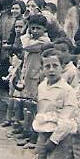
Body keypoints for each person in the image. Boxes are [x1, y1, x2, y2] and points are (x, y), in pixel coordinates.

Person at [31, 48, 77, 159]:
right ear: (42, 68)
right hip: (43, 133)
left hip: (59, 135)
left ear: (62, 67)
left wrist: (54, 140)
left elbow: (67, 120)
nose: (51, 70)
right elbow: (41, 111)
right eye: (47, 66)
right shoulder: (42, 87)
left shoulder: (67, 90)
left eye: (55, 66)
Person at [14, 14, 51, 148]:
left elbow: (26, 46)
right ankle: (27, 131)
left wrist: (26, 33)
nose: (35, 31)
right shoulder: (32, 38)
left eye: (38, 28)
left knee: (35, 108)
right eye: (32, 28)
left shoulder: (44, 41)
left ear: (44, 29)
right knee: (28, 106)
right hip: (28, 76)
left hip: (37, 78)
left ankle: (34, 137)